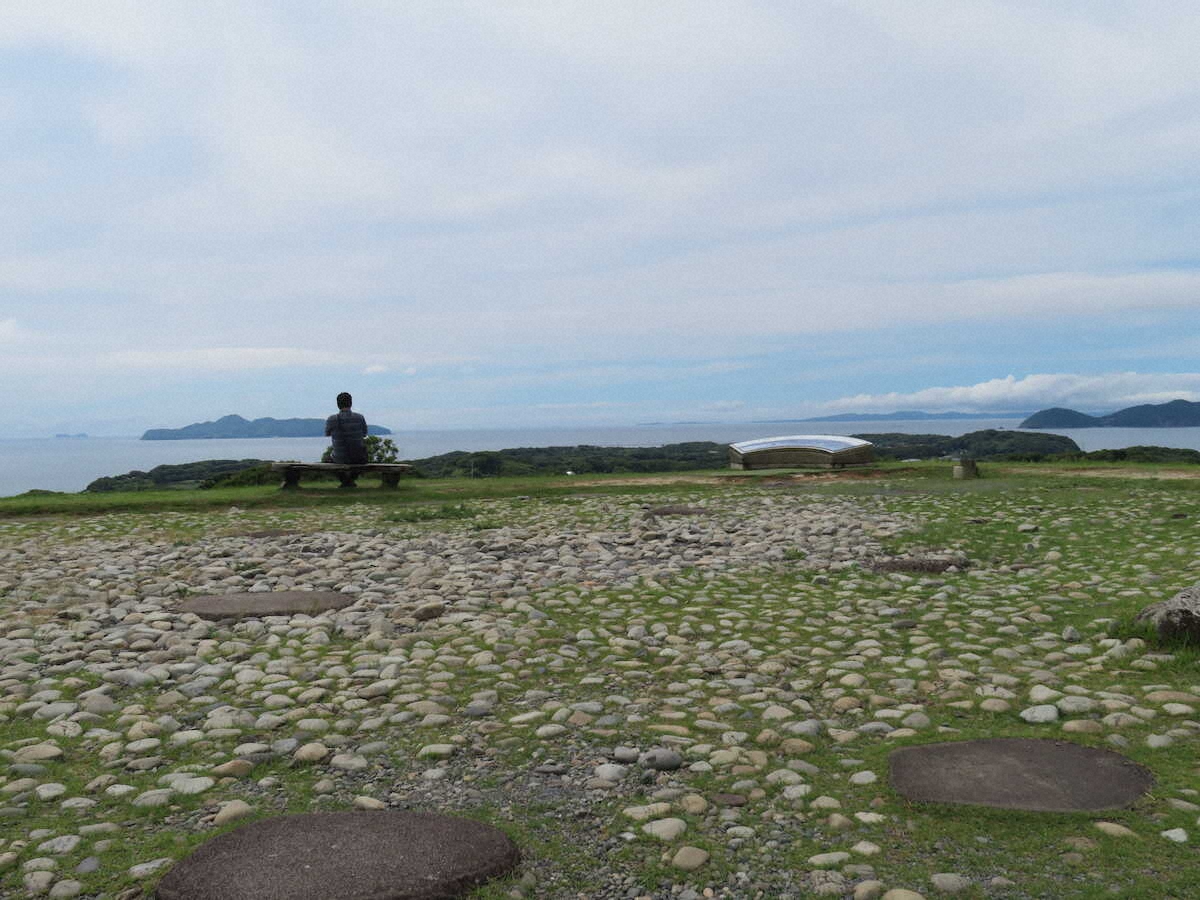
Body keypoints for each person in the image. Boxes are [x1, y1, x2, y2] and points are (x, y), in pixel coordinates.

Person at [325, 392, 369, 464]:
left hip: (339, 458)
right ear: (351, 403)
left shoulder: (331, 419)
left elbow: (327, 434)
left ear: (338, 404)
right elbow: (364, 434)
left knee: (327, 459)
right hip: (358, 458)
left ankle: (341, 475)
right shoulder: (360, 417)